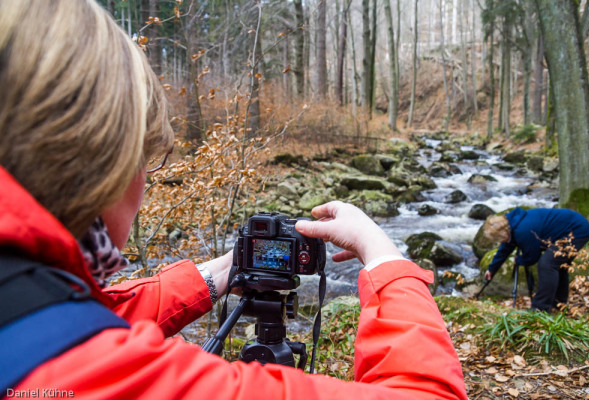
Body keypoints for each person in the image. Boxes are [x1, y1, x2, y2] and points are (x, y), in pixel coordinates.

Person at [0, 1, 467, 398]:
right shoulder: (95, 373)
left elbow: (55, 319)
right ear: (104, 165)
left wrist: (227, 270)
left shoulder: (22, 302)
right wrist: (383, 257)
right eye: (145, 162)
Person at [482, 207, 589, 311]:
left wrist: (519, 260)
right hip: (573, 226)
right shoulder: (512, 223)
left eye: (499, 239)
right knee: (558, 265)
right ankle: (559, 303)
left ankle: (540, 307)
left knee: (548, 264)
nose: (500, 242)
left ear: (502, 233)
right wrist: (492, 269)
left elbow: (532, 257)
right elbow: (505, 248)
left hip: (577, 231)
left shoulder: (522, 231)